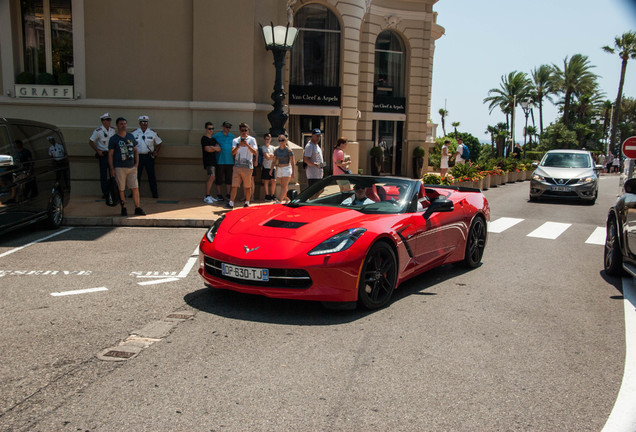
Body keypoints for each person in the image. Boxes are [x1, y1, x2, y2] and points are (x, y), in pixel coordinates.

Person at [108, 117, 145, 217]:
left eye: (125, 123)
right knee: (121, 188)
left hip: (131, 166)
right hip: (119, 167)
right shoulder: (114, 139)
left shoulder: (130, 136)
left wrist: (136, 163)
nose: (123, 125)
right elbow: (110, 154)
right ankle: (123, 207)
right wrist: (112, 168)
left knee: (135, 188)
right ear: (117, 125)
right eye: (121, 124)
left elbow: (135, 150)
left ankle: (137, 207)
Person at [226, 122, 258, 209]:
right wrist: (239, 146)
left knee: (247, 186)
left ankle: (247, 202)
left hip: (247, 167)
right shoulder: (235, 140)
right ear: (240, 130)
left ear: (248, 130)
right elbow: (233, 152)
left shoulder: (252, 140)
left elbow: (255, 152)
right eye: (242, 130)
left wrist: (247, 145)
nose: (244, 132)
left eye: (245, 130)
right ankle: (231, 202)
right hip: (237, 166)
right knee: (234, 185)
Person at [132, 115, 163, 198]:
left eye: (146, 122)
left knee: (151, 175)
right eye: (143, 122)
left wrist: (156, 152)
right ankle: (134, 193)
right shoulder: (134, 133)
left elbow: (159, 143)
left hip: (148, 157)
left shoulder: (152, 133)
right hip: (138, 157)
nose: (144, 124)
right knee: (136, 176)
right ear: (139, 123)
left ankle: (154, 193)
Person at [89, 113, 116, 198]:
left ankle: (113, 190)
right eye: (107, 120)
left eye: (109, 120)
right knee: (103, 175)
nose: (109, 122)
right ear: (103, 121)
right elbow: (91, 141)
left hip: (111, 154)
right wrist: (98, 151)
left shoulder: (112, 130)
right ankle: (105, 192)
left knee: (113, 173)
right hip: (104, 154)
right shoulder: (98, 131)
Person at [213, 121, 235, 201]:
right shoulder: (216, 136)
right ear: (222, 126)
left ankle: (228, 193)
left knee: (229, 178)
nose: (228, 128)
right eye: (226, 127)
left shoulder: (232, 137)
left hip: (230, 161)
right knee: (219, 178)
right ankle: (219, 194)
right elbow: (212, 144)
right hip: (220, 160)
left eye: (229, 127)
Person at [271, 134, 295, 203]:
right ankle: (287, 199)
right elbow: (274, 161)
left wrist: (293, 172)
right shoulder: (276, 150)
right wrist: (271, 169)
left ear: (285, 140)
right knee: (283, 186)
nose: (281, 142)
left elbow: (293, 161)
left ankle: (280, 200)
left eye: (282, 140)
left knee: (284, 186)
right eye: (279, 140)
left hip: (287, 168)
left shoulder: (289, 150)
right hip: (280, 168)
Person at [201, 121, 221, 204]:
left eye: (212, 129)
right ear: (206, 129)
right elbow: (207, 149)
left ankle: (209, 195)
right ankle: (207, 196)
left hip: (214, 161)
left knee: (213, 177)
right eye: (209, 128)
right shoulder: (204, 139)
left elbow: (219, 149)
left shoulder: (213, 139)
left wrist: (212, 148)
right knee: (211, 177)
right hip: (208, 161)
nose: (211, 130)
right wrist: (214, 148)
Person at [261, 133, 276, 202]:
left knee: (274, 180)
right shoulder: (263, 147)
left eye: (268, 139)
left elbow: (275, 157)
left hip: (273, 166)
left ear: (270, 139)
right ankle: (267, 195)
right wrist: (271, 156)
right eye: (266, 139)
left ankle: (272, 194)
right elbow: (266, 156)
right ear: (264, 140)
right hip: (266, 166)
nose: (267, 140)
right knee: (266, 181)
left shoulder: (273, 147)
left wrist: (270, 156)